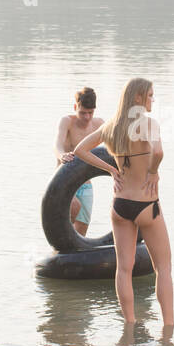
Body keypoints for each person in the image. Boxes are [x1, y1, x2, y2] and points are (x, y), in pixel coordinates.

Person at [73, 78, 174, 327]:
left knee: (124, 269)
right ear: (138, 98)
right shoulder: (149, 124)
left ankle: (129, 326)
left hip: (120, 207)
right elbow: (158, 153)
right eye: (150, 95)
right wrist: (153, 171)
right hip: (146, 205)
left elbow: (80, 150)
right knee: (163, 268)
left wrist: (111, 170)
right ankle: (169, 329)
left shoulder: (112, 127)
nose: (153, 99)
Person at [54, 87, 104, 235]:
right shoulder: (66, 122)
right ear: (75, 107)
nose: (87, 117)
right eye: (83, 112)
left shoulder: (99, 124)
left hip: (85, 184)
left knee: (81, 233)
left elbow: (115, 147)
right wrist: (62, 155)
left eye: (90, 112)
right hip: (63, 180)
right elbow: (56, 145)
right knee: (73, 207)